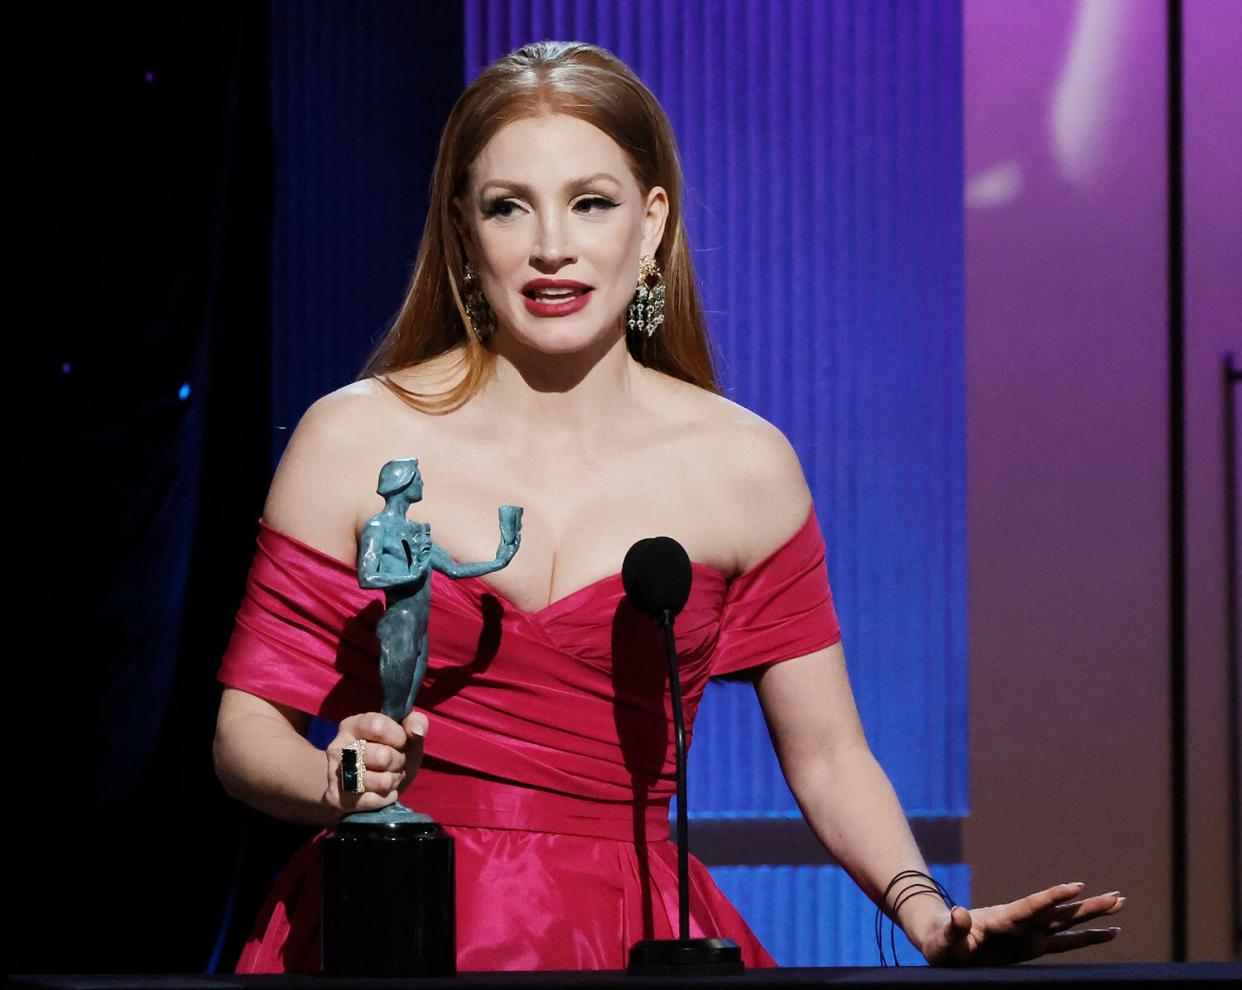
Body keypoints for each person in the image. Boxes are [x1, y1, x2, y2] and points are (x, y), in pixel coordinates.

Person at [212, 40, 1125, 972]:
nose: (550, 246)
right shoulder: (357, 440)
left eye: (590, 202)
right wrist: (332, 780)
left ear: (650, 225)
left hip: (629, 938)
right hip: (388, 921)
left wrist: (926, 912)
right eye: (507, 206)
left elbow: (829, 757)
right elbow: (245, 732)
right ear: (461, 228)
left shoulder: (743, 465)